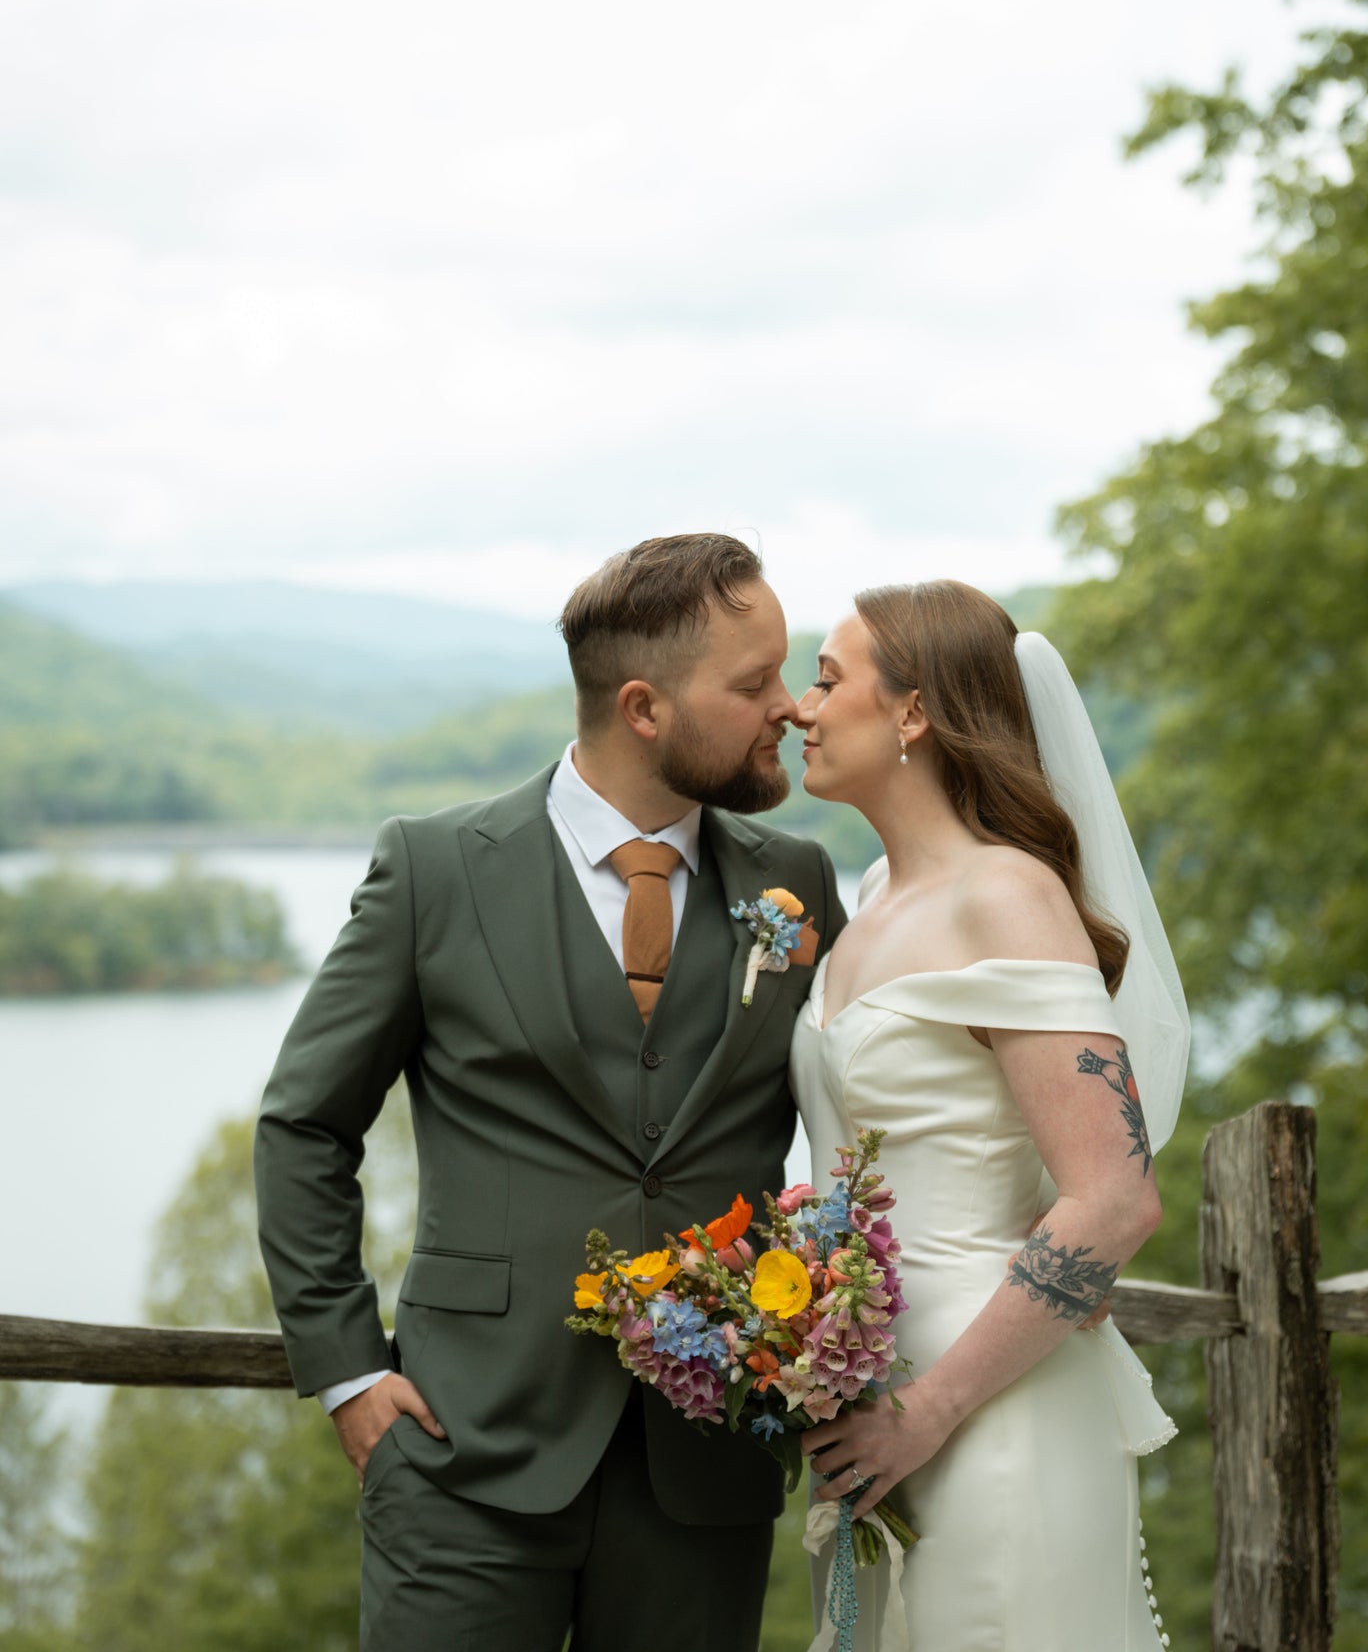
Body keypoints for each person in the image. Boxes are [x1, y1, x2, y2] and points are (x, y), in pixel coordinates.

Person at [254, 533, 847, 1652]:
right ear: (642, 708)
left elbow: (855, 1123)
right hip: (460, 1448)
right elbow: (304, 1124)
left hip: (704, 1460)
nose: (788, 706)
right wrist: (347, 1376)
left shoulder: (796, 879)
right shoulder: (433, 871)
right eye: (751, 682)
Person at [789, 580, 1188, 1651]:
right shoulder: (870, 902)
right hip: (867, 1413)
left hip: (985, 1409)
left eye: (826, 680)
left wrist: (928, 1413)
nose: (799, 709)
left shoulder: (1002, 895)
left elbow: (1112, 1197)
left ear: (912, 712)